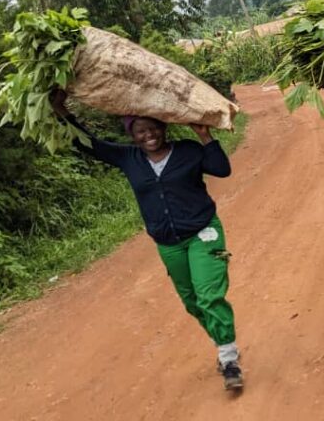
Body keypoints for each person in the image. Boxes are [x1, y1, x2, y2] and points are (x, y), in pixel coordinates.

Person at [49, 90, 245, 390]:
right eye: (140, 130)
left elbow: (222, 169)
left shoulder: (188, 151)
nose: (149, 134)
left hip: (203, 232)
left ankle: (229, 359)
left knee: (209, 295)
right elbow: (87, 143)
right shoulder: (128, 158)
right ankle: (223, 341)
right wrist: (61, 111)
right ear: (133, 134)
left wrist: (205, 136)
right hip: (168, 243)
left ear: (164, 127)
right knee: (192, 302)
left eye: (153, 127)